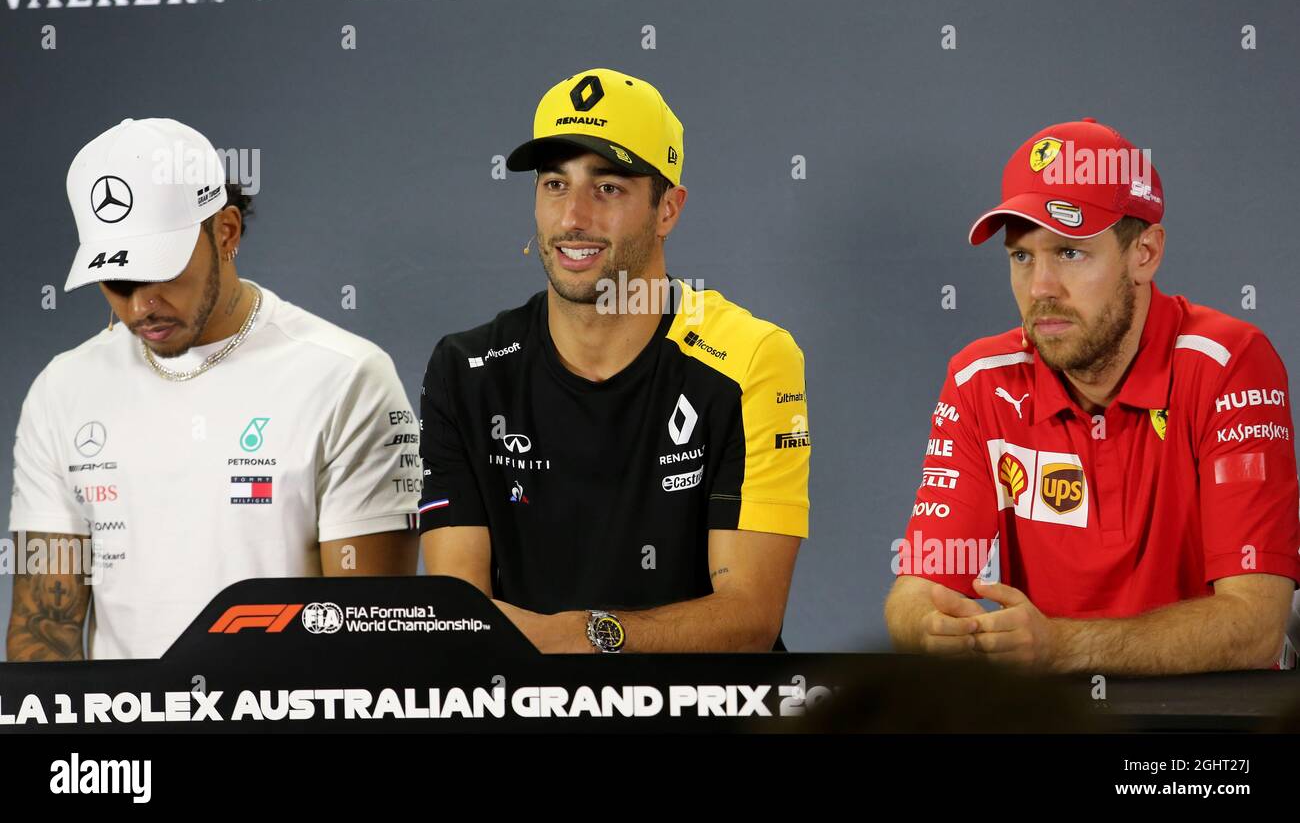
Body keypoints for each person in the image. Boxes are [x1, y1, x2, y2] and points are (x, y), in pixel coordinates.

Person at [884, 117, 1300, 674]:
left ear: (1145, 253)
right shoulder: (980, 380)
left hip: (1212, 721)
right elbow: (916, 591)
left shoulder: (1228, 363)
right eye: (1022, 256)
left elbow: (1256, 627)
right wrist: (934, 628)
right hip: (1055, 721)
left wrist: (1059, 647)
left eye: (1070, 253)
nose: (1040, 289)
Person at [418, 68, 810, 652]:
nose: (573, 217)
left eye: (608, 188)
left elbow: (750, 618)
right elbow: (460, 618)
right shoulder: (466, 369)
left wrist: (584, 635)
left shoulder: (750, 357)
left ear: (667, 210)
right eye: (555, 184)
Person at [7, 118, 418, 660]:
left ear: (226, 232)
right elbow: (45, 633)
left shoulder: (348, 377)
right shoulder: (62, 389)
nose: (138, 308)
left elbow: (371, 643)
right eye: (115, 281)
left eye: (159, 272)